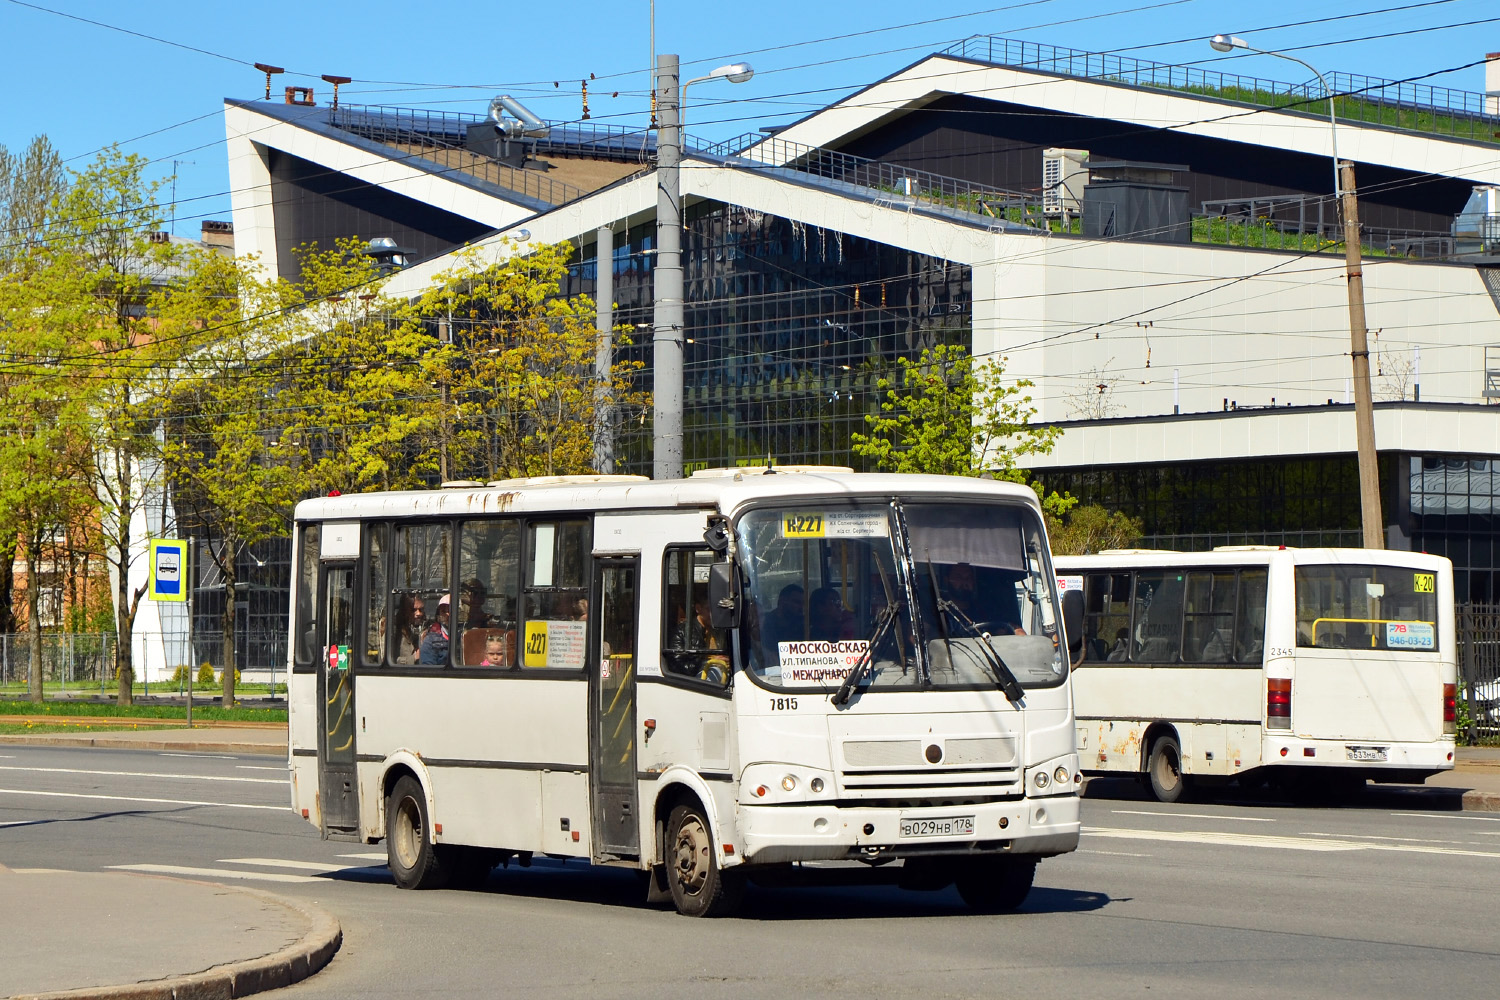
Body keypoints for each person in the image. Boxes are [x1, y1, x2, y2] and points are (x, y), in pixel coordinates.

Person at [418, 595, 451, 665]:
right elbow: (428, 669)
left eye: (451, 610)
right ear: (439, 615)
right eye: (443, 611)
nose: (447, 614)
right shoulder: (430, 641)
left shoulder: (464, 636)